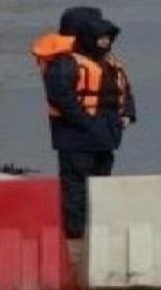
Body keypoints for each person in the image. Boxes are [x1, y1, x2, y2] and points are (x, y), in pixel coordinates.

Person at [44, 13, 136, 239]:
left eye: (108, 38)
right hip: (76, 137)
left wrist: (128, 115)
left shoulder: (111, 63)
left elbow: (125, 92)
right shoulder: (65, 64)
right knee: (75, 187)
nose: (106, 42)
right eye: (101, 37)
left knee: (101, 185)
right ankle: (74, 233)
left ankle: (96, 230)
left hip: (105, 137)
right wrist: (87, 122)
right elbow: (61, 97)